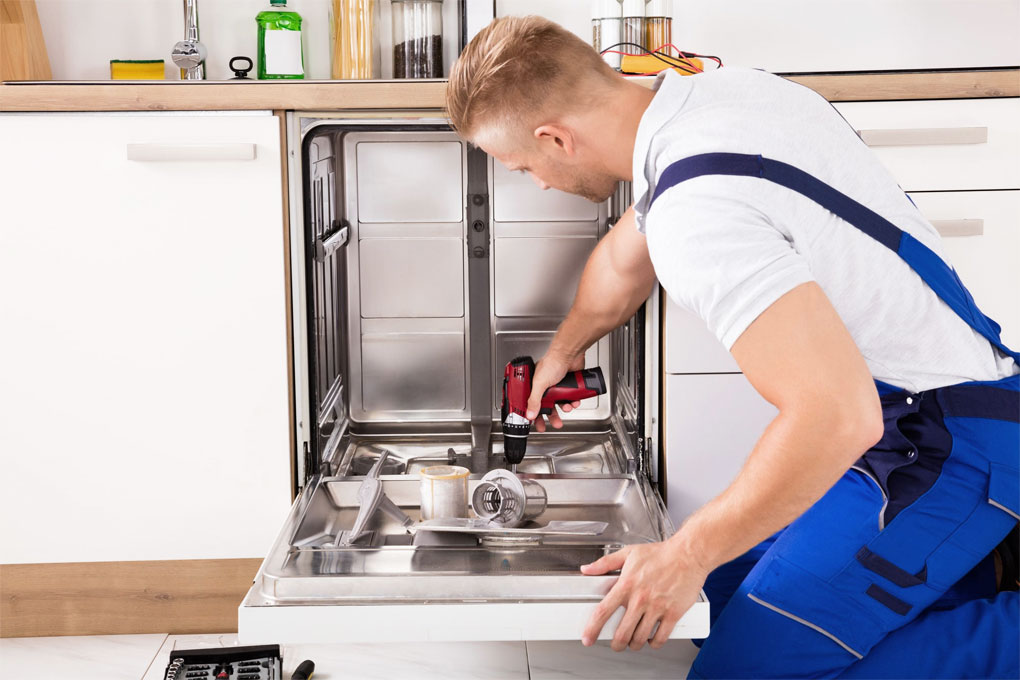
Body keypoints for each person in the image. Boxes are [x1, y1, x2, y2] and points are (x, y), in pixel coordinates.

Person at [446, 15, 1020, 679]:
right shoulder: (718, 100)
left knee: (737, 668)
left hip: (943, 442)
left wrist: (686, 553)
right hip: (914, 416)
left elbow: (836, 418)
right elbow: (624, 265)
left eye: (523, 166)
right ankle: (977, 567)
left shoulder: (697, 214)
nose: (539, 183)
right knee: (710, 608)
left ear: (556, 138)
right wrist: (562, 352)